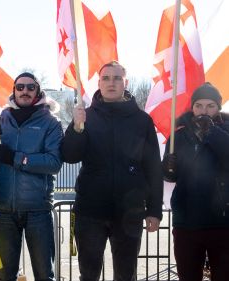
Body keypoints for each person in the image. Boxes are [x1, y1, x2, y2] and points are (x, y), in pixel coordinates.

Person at [61, 61, 163, 281]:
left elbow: (153, 167)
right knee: (89, 274)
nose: (111, 83)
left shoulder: (142, 120)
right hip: (90, 211)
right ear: (98, 83)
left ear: (125, 83)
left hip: (129, 212)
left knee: (126, 275)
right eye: (106, 78)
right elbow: (69, 156)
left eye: (117, 78)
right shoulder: (85, 116)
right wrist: (76, 128)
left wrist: (154, 209)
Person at [0, 72, 63, 281]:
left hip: (38, 210)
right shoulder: (0, 120)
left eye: (30, 87)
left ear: (38, 91)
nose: (25, 91)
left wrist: (17, 158)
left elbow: (53, 163)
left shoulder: (51, 123)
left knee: (44, 274)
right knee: (6, 274)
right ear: (14, 90)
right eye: (20, 87)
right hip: (5, 210)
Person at [162, 82, 229, 281]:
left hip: (222, 222)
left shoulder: (225, 131)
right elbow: (171, 177)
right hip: (187, 222)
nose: (203, 110)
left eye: (210, 105)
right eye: (199, 105)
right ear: (192, 107)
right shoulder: (179, 135)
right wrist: (167, 167)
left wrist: (211, 133)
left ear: (218, 108)